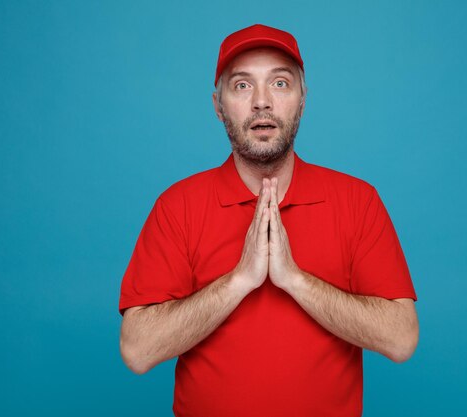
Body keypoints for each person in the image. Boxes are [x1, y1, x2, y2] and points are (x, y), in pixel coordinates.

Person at [119, 24, 418, 417]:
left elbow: (401, 339)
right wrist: (239, 280)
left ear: (303, 99)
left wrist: (294, 280)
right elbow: (138, 351)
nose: (262, 102)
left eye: (280, 83)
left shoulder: (358, 201)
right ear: (218, 105)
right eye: (242, 86)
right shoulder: (177, 207)